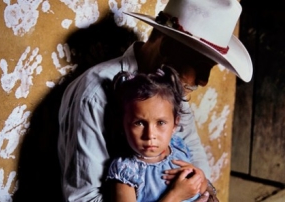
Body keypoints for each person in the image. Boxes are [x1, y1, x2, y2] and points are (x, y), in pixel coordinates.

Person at [57, 0, 253, 201]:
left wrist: (204, 188)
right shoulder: (95, 96)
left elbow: (193, 148)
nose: (203, 81)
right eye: (200, 66)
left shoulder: (169, 88)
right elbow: (84, 198)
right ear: (167, 49)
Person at [107, 65, 207, 202]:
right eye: (139, 123)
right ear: (123, 124)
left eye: (160, 123)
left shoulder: (178, 147)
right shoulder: (126, 171)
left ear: (175, 124)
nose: (150, 135)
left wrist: (200, 177)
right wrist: (175, 196)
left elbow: (200, 189)